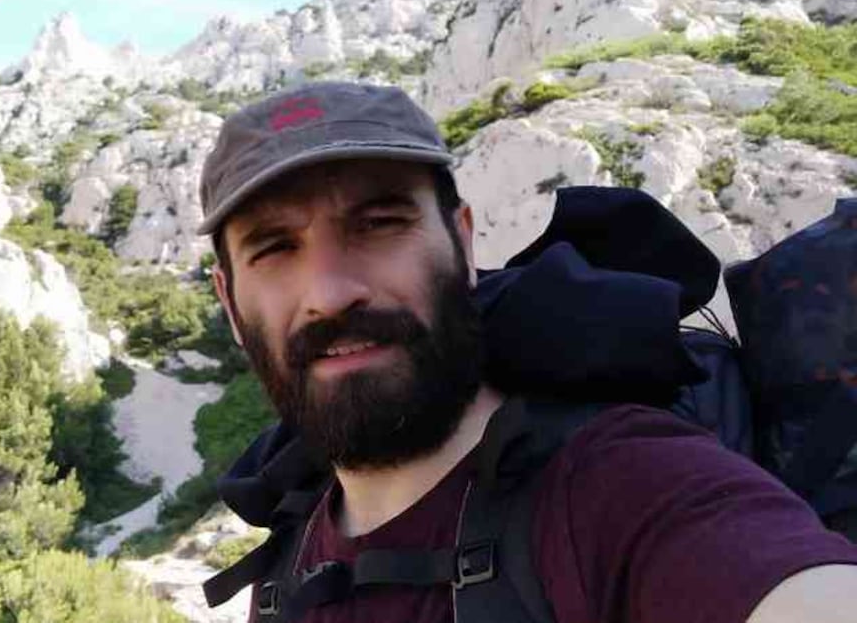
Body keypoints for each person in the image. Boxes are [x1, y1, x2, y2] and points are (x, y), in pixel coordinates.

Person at [195, 81, 857, 623]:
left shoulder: (621, 485)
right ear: (229, 301)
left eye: (379, 223)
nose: (331, 293)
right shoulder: (290, 554)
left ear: (462, 242)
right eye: (274, 248)